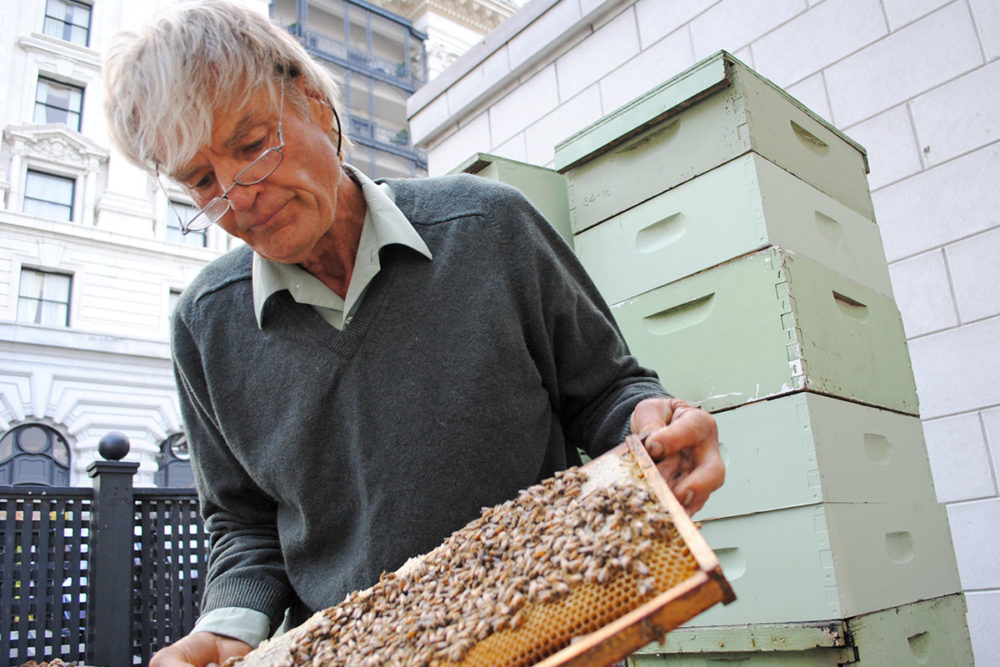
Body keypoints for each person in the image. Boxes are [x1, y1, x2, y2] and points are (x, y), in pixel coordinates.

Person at [103, 2, 723, 665]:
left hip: (556, 632)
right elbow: (245, 523)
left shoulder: (488, 227)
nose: (238, 192)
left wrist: (655, 430)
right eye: (201, 180)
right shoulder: (204, 323)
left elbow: (605, 394)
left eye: (252, 144)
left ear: (312, 102)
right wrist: (224, 629)